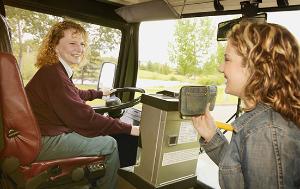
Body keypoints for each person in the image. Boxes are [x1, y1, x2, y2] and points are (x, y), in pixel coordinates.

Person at [25, 20, 139, 189]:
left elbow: (74, 94)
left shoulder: (55, 70)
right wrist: (130, 128)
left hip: (40, 134)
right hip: (43, 141)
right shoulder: (54, 75)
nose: (79, 49)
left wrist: (100, 93)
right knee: (109, 144)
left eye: (82, 44)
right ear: (55, 46)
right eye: (72, 43)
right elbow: (84, 118)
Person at [192, 21, 300, 188]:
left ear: (257, 67)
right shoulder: (262, 123)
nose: (221, 68)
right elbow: (241, 173)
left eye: (227, 59)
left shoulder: (266, 131)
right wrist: (212, 136)